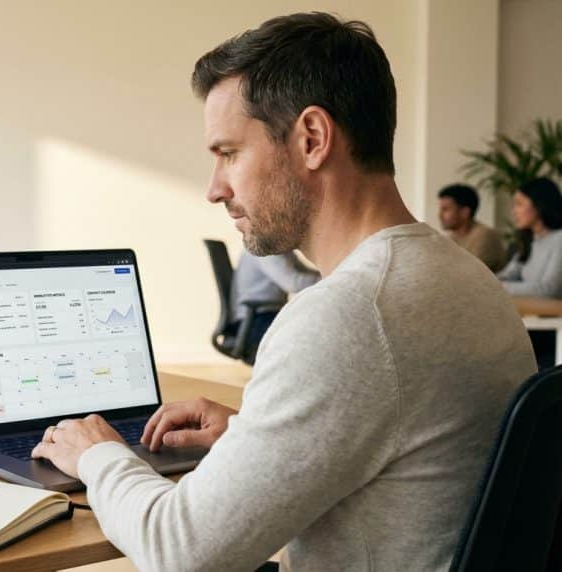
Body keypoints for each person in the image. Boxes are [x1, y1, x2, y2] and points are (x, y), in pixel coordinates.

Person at [31, 12, 535, 571]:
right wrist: (250, 437)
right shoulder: (464, 276)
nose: (213, 189)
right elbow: (401, 442)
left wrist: (97, 455)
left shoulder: (348, 315)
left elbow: (181, 552)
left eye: (229, 153)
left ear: (312, 139)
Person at [229, 251, 320, 363]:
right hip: (256, 321)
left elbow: (304, 272)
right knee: (314, 335)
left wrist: (330, 274)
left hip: (260, 316)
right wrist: (332, 277)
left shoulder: (283, 250)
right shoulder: (267, 251)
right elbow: (293, 283)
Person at [497, 177, 562, 298]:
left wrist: (496, 287)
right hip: (533, 310)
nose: (514, 211)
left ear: (540, 204)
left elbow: (549, 289)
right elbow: (508, 275)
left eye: (519, 204)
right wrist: (484, 283)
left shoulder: (559, 240)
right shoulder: (529, 239)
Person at [438, 183, 506, 271]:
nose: (439, 215)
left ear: (465, 212)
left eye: (445, 209)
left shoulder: (485, 236)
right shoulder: (451, 237)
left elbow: (470, 273)